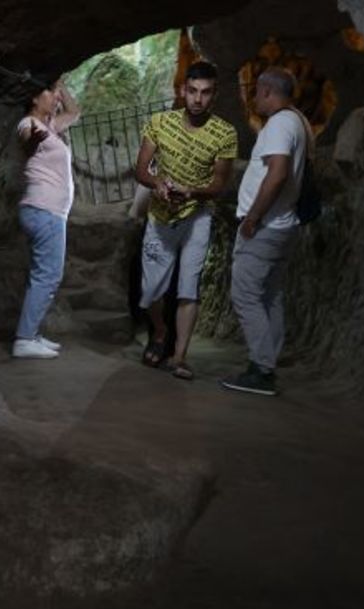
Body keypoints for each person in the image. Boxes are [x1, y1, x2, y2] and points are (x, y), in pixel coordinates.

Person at [134, 61, 238, 379]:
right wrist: (159, 184)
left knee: (188, 288)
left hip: (198, 216)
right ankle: (161, 331)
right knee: (151, 291)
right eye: (192, 91)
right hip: (160, 215)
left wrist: (192, 191)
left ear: (214, 95)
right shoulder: (160, 122)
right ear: (183, 90)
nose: (198, 99)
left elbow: (220, 184)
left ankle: (179, 356)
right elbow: (140, 170)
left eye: (205, 93)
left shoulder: (225, 133)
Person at [221, 67, 310, 396]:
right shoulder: (297, 121)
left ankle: (261, 370)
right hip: (283, 225)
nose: (253, 99)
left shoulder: (279, 124)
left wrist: (253, 217)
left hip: (265, 227)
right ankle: (266, 365)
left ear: (269, 92)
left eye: (257, 93)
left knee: (245, 295)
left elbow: (277, 173)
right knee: (270, 297)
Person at [11, 80, 80, 359]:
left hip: (49, 212)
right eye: (49, 92)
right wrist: (32, 141)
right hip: (43, 210)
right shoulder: (29, 124)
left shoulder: (50, 127)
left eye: (56, 92)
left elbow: (75, 112)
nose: (55, 97)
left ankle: (32, 334)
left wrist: (62, 88)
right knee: (48, 276)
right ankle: (24, 339)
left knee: (44, 276)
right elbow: (26, 139)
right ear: (34, 98)